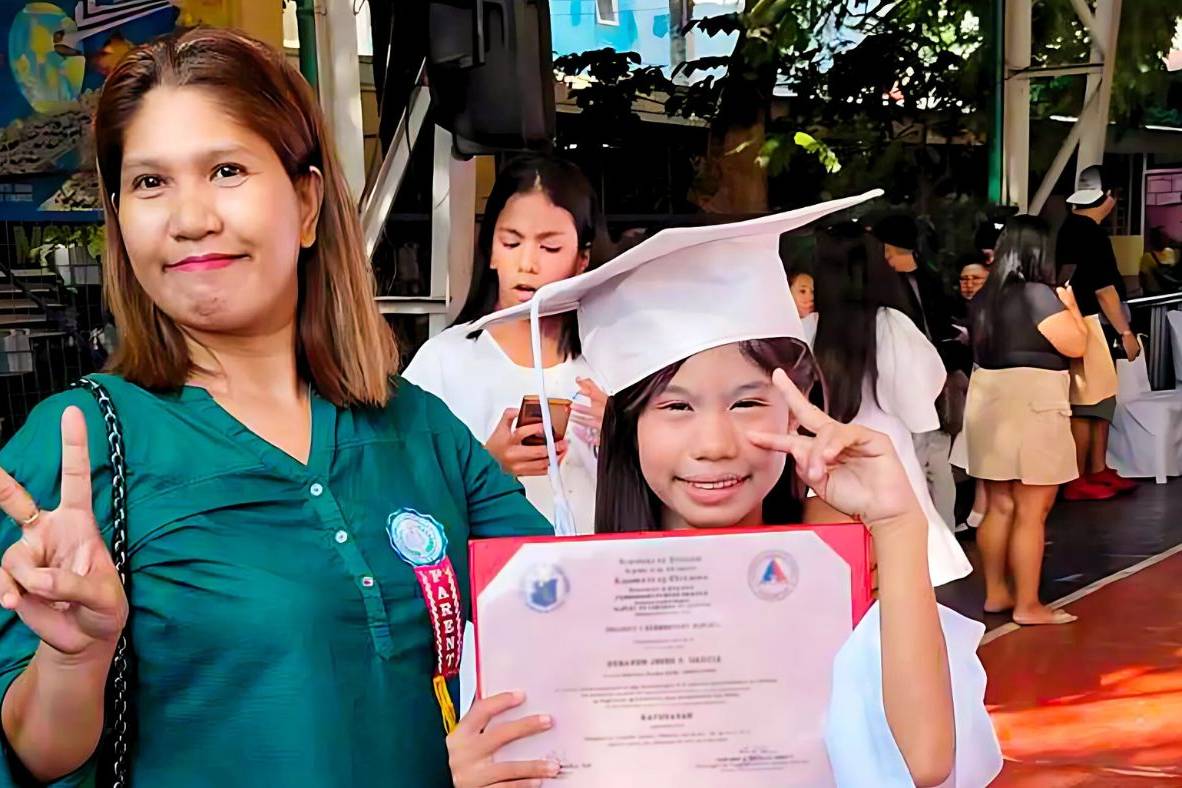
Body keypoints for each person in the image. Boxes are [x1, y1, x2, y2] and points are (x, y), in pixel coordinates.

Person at [0, 29, 552, 787]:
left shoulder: (421, 429)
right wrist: (74, 657)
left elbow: (570, 623)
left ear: (305, 202)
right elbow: (33, 755)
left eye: (226, 169)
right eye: (150, 183)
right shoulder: (75, 444)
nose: (189, 218)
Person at [449, 195, 1003, 787]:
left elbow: (920, 764)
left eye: (747, 402)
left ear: (795, 410)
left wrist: (898, 528)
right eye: (676, 406)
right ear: (627, 426)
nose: (714, 443)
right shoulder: (556, 611)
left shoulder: (839, 594)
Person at [404, 154, 608, 535]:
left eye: (550, 249)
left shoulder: (610, 359)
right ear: (491, 249)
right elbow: (399, 489)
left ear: (583, 257)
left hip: (600, 573)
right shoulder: (444, 361)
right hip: (489, 578)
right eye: (511, 243)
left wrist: (628, 435)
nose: (527, 264)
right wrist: (487, 465)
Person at [813, 224, 971, 587]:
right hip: (889, 464)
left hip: (823, 470)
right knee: (903, 583)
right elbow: (921, 394)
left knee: (836, 583)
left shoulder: (806, 328)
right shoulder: (891, 325)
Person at [966, 216, 1089, 625]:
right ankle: (1028, 604)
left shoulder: (986, 297)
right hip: (1032, 400)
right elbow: (1076, 345)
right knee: (1032, 511)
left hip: (987, 400)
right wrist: (1070, 307)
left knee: (998, 505)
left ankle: (996, 593)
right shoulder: (1038, 295)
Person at [872, 215, 961, 531]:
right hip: (936, 377)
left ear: (888, 248)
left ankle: (930, 532)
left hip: (912, 383)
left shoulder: (886, 288)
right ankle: (945, 531)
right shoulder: (931, 278)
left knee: (921, 461)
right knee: (938, 462)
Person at [1055, 165, 1139, 500]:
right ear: (1109, 197)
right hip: (1089, 322)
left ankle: (1096, 469)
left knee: (1100, 400)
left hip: (1085, 321)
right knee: (1088, 403)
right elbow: (1105, 289)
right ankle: (1079, 476)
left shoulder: (1070, 229)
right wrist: (1126, 332)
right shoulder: (1089, 233)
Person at [1140, 226, 1180, 295]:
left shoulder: (1171, 252)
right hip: (1154, 294)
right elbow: (1142, 278)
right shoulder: (1148, 257)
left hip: (1169, 292)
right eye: (1163, 237)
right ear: (1156, 239)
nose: (1167, 238)